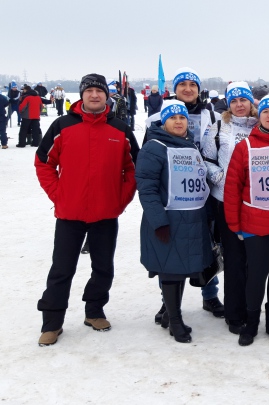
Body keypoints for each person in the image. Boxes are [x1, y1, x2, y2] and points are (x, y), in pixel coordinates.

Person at [35, 73, 139, 346]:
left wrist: (120, 199)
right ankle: (52, 322)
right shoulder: (62, 125)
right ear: (81, 95)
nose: (94, 95)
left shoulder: (121, 129)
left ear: (107, 96)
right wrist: (58, 194)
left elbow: (134, 169)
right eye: (89, 91)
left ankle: (94, 311)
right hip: (70, 213)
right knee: (61, 269)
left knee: (103, 268)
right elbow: (43, 162)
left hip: (106, 212)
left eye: (99, 91)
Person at [147, 67, 224, 321]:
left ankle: (209, 295)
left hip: (204, 190)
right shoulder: (159, 116)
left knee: (207, 245)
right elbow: (149, 152)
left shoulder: (211, 114)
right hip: (172, 194)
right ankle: (168, 302)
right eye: (183, 85)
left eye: (193, 85)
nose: (188, 89)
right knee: (169, 249)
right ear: (175, 88)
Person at [224, 95, 269, 346]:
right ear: (259, 116)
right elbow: (232, 188)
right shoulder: (245, 146)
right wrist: (234, 224)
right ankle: (252, 322)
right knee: (256, 275)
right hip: (254, 223)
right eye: (265, 111)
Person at [136, 100, 213, 343]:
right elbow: (147, 189)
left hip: (191, 218)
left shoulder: (190, 145)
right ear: (163, 122)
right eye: (173, 118)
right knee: (170, 271)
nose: (178, 122)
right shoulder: (154, 148)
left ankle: (170, 314)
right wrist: (158, 221)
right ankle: (176, 321)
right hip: (168, 220)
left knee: (181, 269)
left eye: (182, 118)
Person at [201, 81, 257, 333]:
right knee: (234, 259)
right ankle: (234, 315)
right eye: (234, 101)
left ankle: (252, 308)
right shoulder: (219, 126)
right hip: (226, 201)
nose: (239, 105)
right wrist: (221, 177)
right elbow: (205, 159)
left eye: (243, 100)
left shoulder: (260, 125)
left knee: (254, 261)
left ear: (250, 102)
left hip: (257, 203)